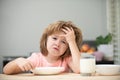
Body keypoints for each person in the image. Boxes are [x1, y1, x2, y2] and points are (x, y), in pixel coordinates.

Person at [3, 20, 82, 74]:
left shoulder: (66, 59)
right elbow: (6, 71)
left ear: (68, 48)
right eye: (54, 38)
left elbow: (79, 69)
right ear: (45, 39)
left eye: (64, 42)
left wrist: (71, 41)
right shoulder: (36, 59)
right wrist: (18, 61)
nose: (57, 44)